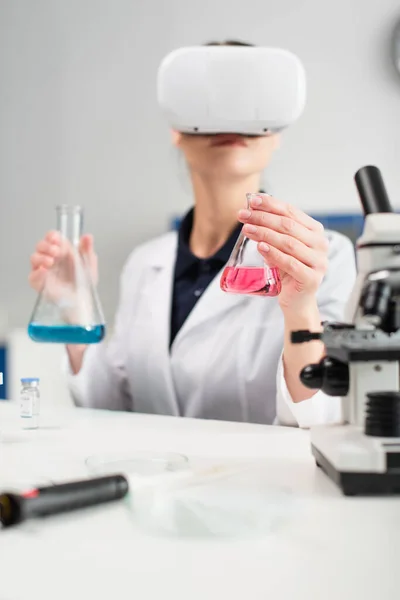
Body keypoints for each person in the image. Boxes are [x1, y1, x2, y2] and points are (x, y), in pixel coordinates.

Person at [28, 40, 356, 427]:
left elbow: (322, 414)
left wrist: (301, 308)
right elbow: (108, 404)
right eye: (208, 101)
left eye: (246, 101)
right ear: (176, 129)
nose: (229, 120)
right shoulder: (145, 263)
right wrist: (74, 303)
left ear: (277, 128)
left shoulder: (321, 257)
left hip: (265, 485)